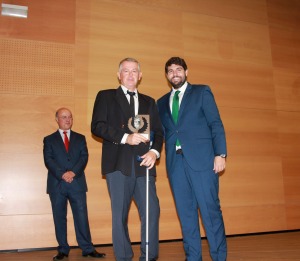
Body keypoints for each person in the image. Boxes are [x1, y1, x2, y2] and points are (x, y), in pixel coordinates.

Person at [91, 58, 163, 261]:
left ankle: (148, 257)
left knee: (152, 212)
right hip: (118, 165)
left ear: (140, 76)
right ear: (118, 75)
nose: (130, 75)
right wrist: (125, 137)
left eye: (134, 71)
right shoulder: (105, 96)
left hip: (144, 166)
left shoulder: (149, 101)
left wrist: (154, 153)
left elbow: (158, 133)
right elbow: (97, 125)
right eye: (126, 71)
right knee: (119, 217)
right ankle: (124, 258)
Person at [157, 57, 227, 261]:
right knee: (186, 215)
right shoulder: (160, 102)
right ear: (166, 75)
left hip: (203, 162)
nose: (174, 73)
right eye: (170, 71)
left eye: (178, 69)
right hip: (175, 165)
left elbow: (216, 123)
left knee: (210, 212)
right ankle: (193, 257)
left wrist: (220, 154)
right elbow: (159, 133)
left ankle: (219, 257)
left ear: (186, 72)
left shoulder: (202, 92)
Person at [43, 107, 106, 260]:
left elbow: (84, 157)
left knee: (81, 216)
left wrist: (73, 172)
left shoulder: (80, 138)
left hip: (77, 183)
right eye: (63, 117)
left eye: (70, 117)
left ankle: (87, 248)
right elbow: (48, 159)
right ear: (57, 119)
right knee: (59, 217)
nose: (67, 120)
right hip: (57, 185)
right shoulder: (49, 139)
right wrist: (62, 174)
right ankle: (63, 249)